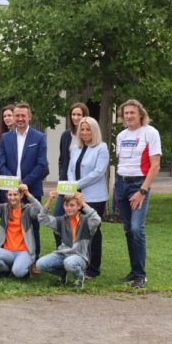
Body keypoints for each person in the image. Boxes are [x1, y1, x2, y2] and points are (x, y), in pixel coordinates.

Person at [115, 99, 161, 289]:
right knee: (127, 229)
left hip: (138, 185)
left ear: (140, 114)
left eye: (132, 113)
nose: (128, 116)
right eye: (125, 113)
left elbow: (155, 165)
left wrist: (142, 190)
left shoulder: (150, 133)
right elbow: (120, 163)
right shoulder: (121, 135)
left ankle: (141, 275)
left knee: (136, 229)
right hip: (121, 184)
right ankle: (134, 271)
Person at [0, 103, 47, 265]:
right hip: (10, 190)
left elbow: (41, 165)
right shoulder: (6, 137)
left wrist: (25, 183)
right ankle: (9, 256)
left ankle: (34, 260)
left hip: (31, 189)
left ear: (29, 117)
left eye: (23, 116)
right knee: (10, 223)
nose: (19, 119)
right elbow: (1, 162)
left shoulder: (39, 137)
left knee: (33, 225)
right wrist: (12, 183)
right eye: (17, 115)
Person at [67, 116, 109, 279]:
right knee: (79, 231)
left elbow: (98, 173)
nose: (84, 132)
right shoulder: (76, 147)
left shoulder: (102, 148)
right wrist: (72, 185)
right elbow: (70, 168)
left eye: (88, 129)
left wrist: (77, 184)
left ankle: (94, 268)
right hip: (76, 194)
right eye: (82, 129)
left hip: (94, 197)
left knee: (93, 231)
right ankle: (81, 262)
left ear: (94, 130)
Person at [37, 191, 101, 289]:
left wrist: (82, 202)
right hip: (62, 254)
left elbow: (97, 219)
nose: (69, 208)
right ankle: (62, 273)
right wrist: (49, 200)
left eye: (72, 205)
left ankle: (79, 277)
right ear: (63, 206)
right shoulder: (60, 220)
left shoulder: (86, 221)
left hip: (79, 256)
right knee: (40, 264)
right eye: (66, 205)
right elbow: (42, 218)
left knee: (69, 262)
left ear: (79, 207)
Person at [0, 182, 42, 278]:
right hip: (8, 251)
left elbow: (39, 209)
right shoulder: (4, 209)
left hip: (24, 251)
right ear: (7, 195)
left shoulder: (27, 210)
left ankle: (23, 269)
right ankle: (6, 269)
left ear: (21, 195)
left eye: (15, 194)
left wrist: (28, 193)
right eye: (10, 195)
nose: (12, 198)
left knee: (18, 272)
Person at [54, 103, 89, 234]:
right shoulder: (65, 135)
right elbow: (62, 159)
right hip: (65, 185)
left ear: (85, 116)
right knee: (58, 219)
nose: (75, 117)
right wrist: (61, 176)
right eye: (73, 114)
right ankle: (61, 249)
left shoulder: (88, 136)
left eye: (79, 114)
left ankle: (78, 250)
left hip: (83, 185)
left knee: (80, 223)